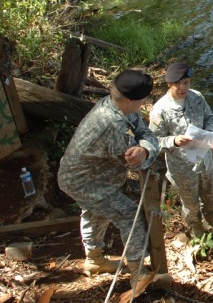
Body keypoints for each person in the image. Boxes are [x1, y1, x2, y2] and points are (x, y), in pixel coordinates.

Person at [57, 69, 159, 289]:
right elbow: (139, 162)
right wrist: (147, 150)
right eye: (143, 99)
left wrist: (144, 145)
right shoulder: (113, 125)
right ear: (133, 100)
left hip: (85, 177)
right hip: (84, 181)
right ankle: (137, 272)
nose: (144, 103)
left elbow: (142, 130)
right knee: (130, 215)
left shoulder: (116, 104)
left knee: (95, 211)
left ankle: (94, 260)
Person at [149, 62, 213, 239]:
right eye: (178, 84)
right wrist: (174, 140)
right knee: (191, 204)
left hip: (204, 158)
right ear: (169, 84)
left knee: (210, 195)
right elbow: (154, 141)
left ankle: (212, 223)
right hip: (182, 167)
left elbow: (209, 116)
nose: (182, 88)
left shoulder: (197, 97)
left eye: (186, 82)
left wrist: (209, 134)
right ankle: (197, 234)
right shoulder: (160, 110)